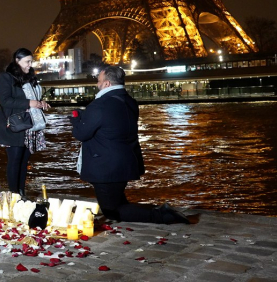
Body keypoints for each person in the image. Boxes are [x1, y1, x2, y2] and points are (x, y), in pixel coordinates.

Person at [68, 65, 190, 224]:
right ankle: (162, 211)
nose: (97, 85)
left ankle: (163, 215)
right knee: (118, 202)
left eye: (98, 81)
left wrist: (77, 120)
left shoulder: (99, 105)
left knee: (111, 210)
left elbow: (81, 134)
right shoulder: (130, 102)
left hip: (105, 165)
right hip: (125, 160)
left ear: (106, 84)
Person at [0, 48, 50, 200]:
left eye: (31, 61)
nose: (30, 65)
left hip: (29, 125)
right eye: (27, 62)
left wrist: (40, 103)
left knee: (24, 162)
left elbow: (33, 97)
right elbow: (5, 101)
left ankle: (21, 192)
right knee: (14, 160)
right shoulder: (6, 77)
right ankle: (14, 194)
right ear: (17, 61)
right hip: (15, 125)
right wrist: (29, 103)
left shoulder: (30, 77)